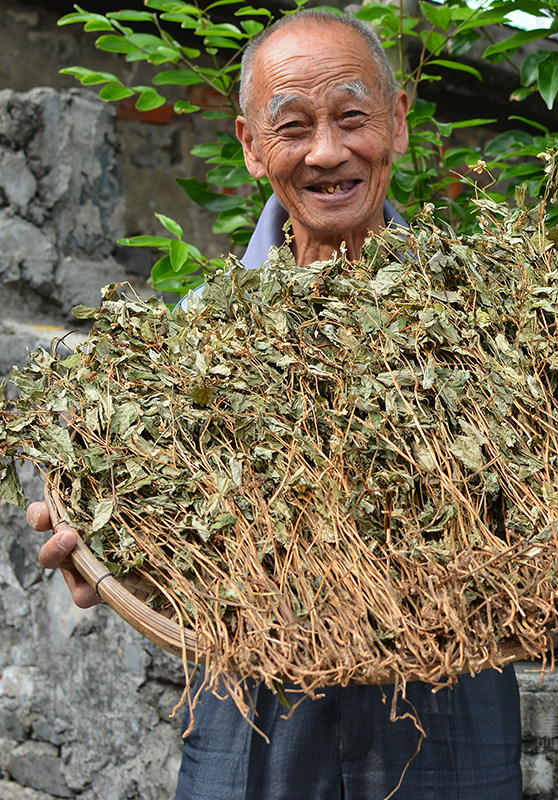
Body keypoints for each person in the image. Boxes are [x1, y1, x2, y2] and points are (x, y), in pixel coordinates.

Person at [29, 10, 525, 800]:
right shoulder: (187, 346)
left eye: (353, 117)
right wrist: (109, 555)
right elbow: (154, 555)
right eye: (292, 126)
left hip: (451, 723)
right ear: (252, 147)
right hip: (254, 729)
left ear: (396, 125)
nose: (328, 152)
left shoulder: (500, 324)